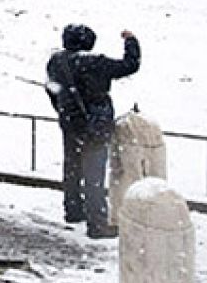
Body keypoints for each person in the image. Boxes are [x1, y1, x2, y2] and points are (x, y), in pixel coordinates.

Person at [45, 24, 141, 238]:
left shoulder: (56, 62)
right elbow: (130, 65)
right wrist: (131, 41)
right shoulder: (96, 63)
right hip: (96, 125)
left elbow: (51, 89)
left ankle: (73, 210)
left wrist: (64, 109)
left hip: (71, 123)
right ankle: (97, 224)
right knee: (93, 175)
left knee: (72, 168)